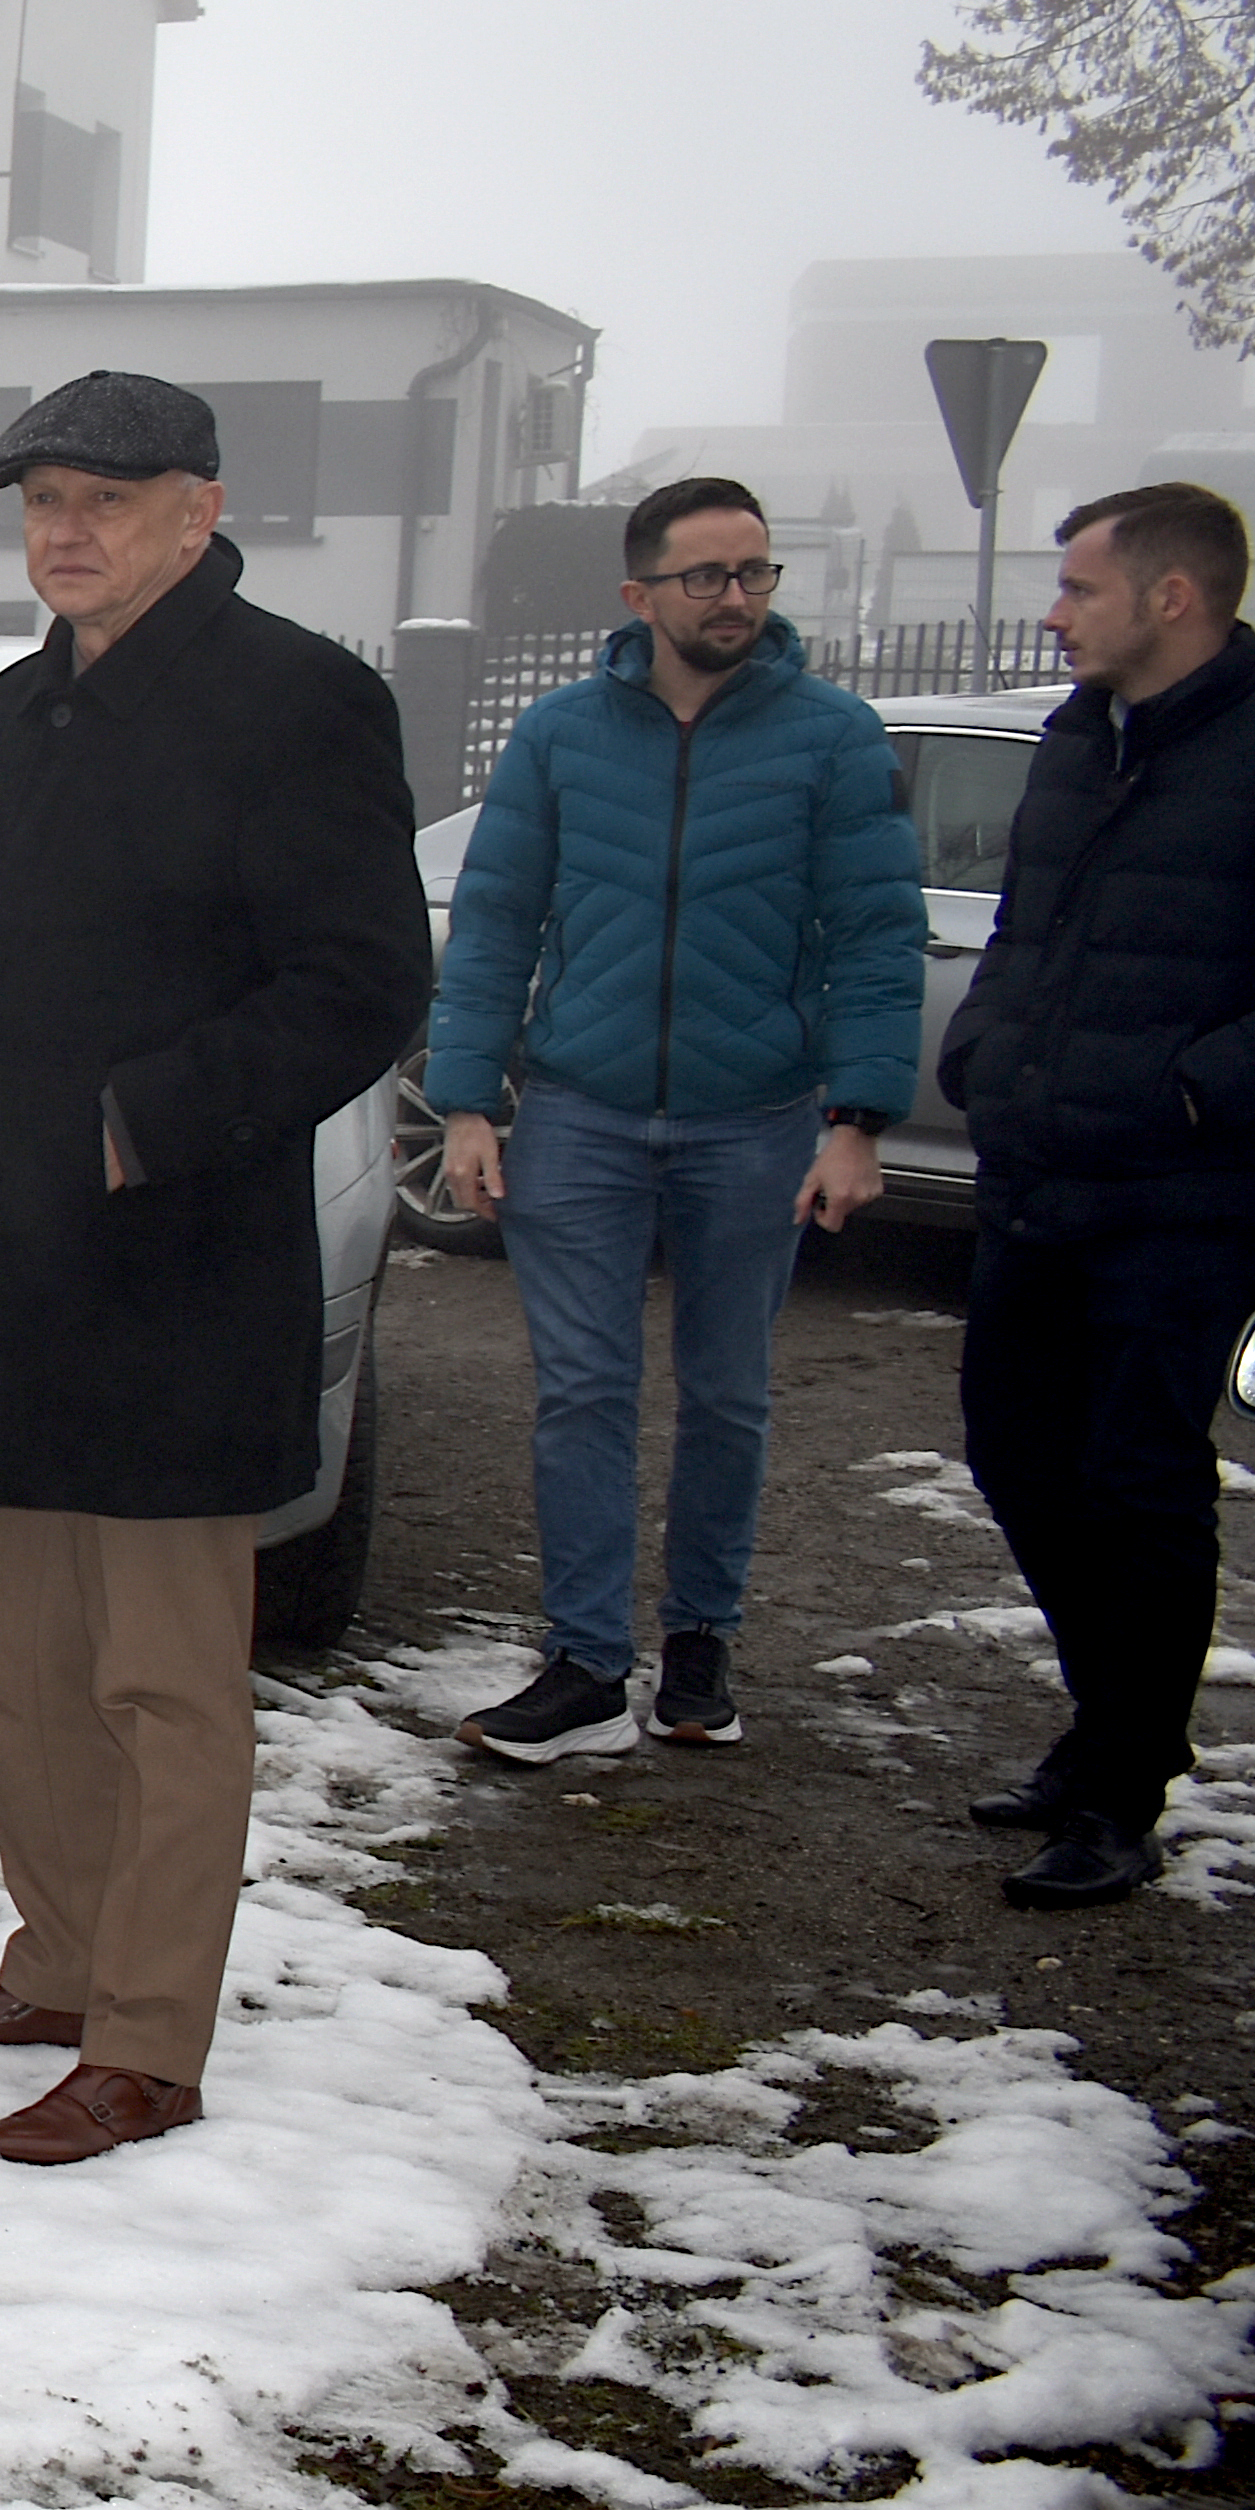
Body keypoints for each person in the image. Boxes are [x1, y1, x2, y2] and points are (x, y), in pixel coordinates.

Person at [0, 374, 426, 2163]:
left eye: (107, 495)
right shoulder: (10, 719)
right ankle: (59, 1958)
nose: (66, 528)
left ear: (202, 506)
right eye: (41, 499)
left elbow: (359, 982)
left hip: (171, 1267)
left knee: (162, 1680)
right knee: (19, 1659)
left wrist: (142, 1124)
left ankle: (151, 2037)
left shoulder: (299, 704)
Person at [419, 475, 915, 1763]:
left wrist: (856, 1118)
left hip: (755, 1116)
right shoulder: (562, 735)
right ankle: (584, 1663)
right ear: (640, 595)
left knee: (727, 1392)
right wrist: (470, 1102)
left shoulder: (833, 738)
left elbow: (875, 935)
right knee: (581, 1390)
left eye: (755, 572)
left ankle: (699, 1646)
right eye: (707, 576)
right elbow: (497, 923)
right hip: (580, 1113)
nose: (737, 597)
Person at [936, 481, 1255, 1912]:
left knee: (1137, 1480)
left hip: (1187, 1190)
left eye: (1079, 589)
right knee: (1016, 1453)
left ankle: (1126, 1789)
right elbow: (1027, 925)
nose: (1054, 616)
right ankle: (1106, 1721)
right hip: (1041, 1171)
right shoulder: (1080, 742)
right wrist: (984, 1050)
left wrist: (1204, 1080)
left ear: (1172, 597)